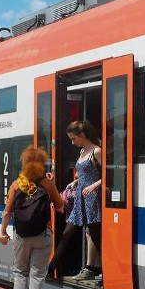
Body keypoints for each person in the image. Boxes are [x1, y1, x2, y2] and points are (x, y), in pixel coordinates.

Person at [0, 146, 63, 289]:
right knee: (37, 276)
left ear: (24, 164)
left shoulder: (15, 184)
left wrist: (3, 232)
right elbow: (60, 207)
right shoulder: (47, 184)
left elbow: (7, 213)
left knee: (20, 273)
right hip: (42, 236)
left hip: (21, 236)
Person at [47, 120, 103, 280]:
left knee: (96, 237)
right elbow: (84, 174)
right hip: (81, 199)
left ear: (82, 135)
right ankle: (51, 269)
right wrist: (76, 182)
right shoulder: (83, 152)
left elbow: (108, 175)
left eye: (73, 139)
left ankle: (106, 272)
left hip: (92, 200)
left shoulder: (96, 151)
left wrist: (93, 186)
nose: (72, 142)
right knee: (67, 234)